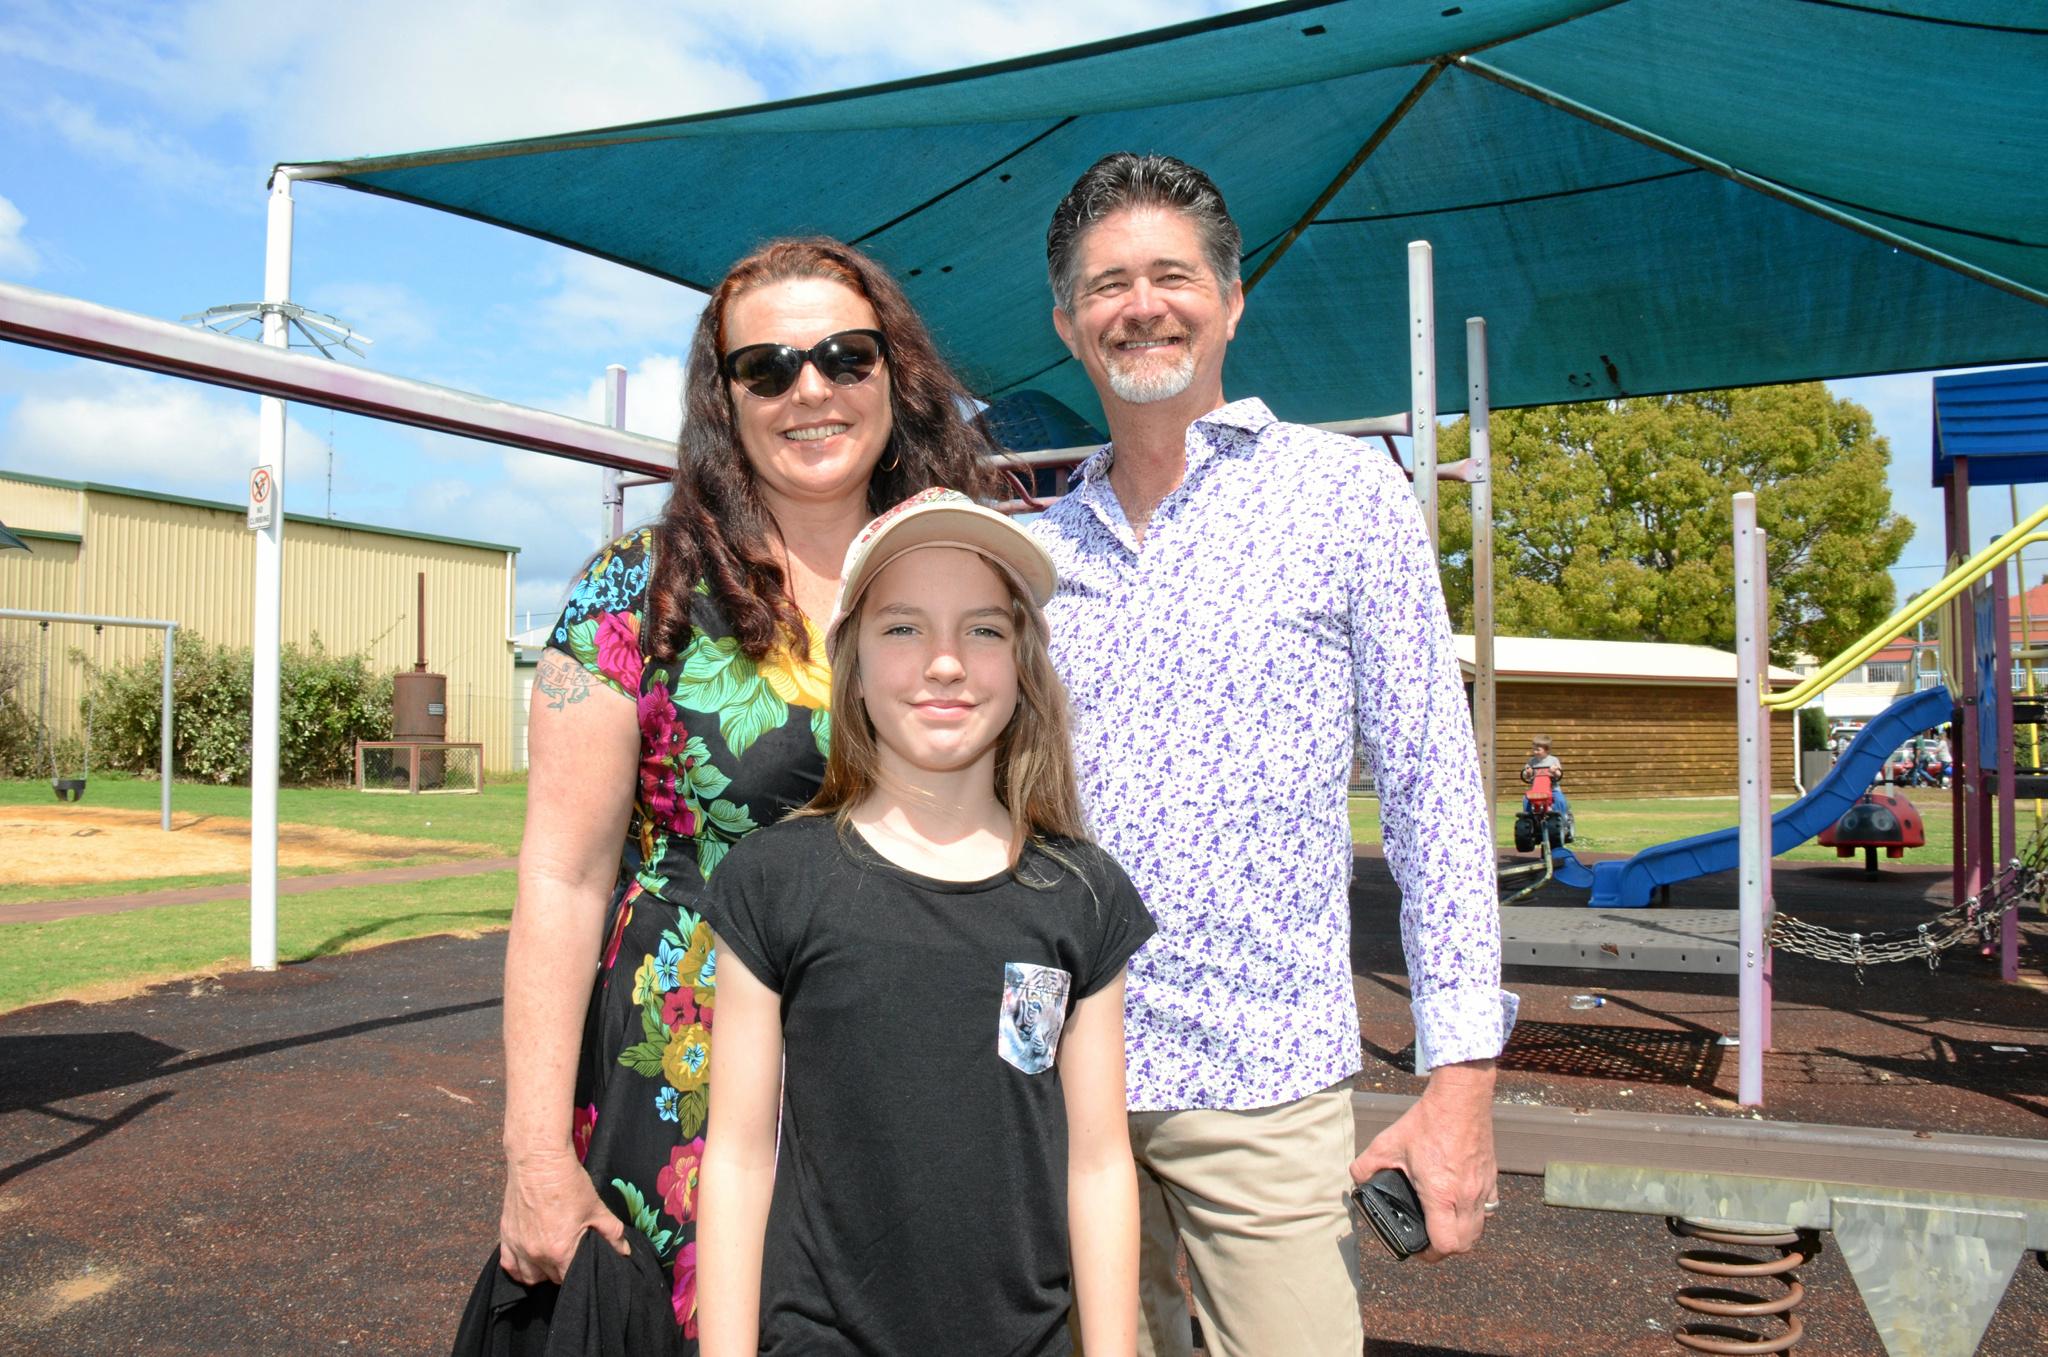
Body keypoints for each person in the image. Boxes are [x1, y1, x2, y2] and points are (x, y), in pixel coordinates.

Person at [474, 238, 1004, 1350]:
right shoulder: (637, 589)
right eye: (765, 367)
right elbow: (562, 879)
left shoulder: (966, 576)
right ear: (724, 398)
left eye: (841, 355)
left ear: (894, 375)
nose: (808, 389)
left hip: (907, 1069)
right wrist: (532, 1151)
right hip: (678, 1080)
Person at [1029, 152, 1516, 1357]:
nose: (1138, 304)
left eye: (1169, 275)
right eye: (1105, 285)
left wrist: (1459, 1085)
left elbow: (1431, 794)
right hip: (1050, 1072)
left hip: (1262, 1078)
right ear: (1065, 325)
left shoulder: (1342, 496)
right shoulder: (1029, 551)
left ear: (1231, 300)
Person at [696, 490, 1154, 1356]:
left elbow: (1097, 1164)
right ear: (853, 664)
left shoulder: (1083, 896)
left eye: (982, 629)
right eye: (903, 628)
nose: (945, 662)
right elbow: (739, 1157)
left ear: (1022, 665)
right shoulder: (774, 882)